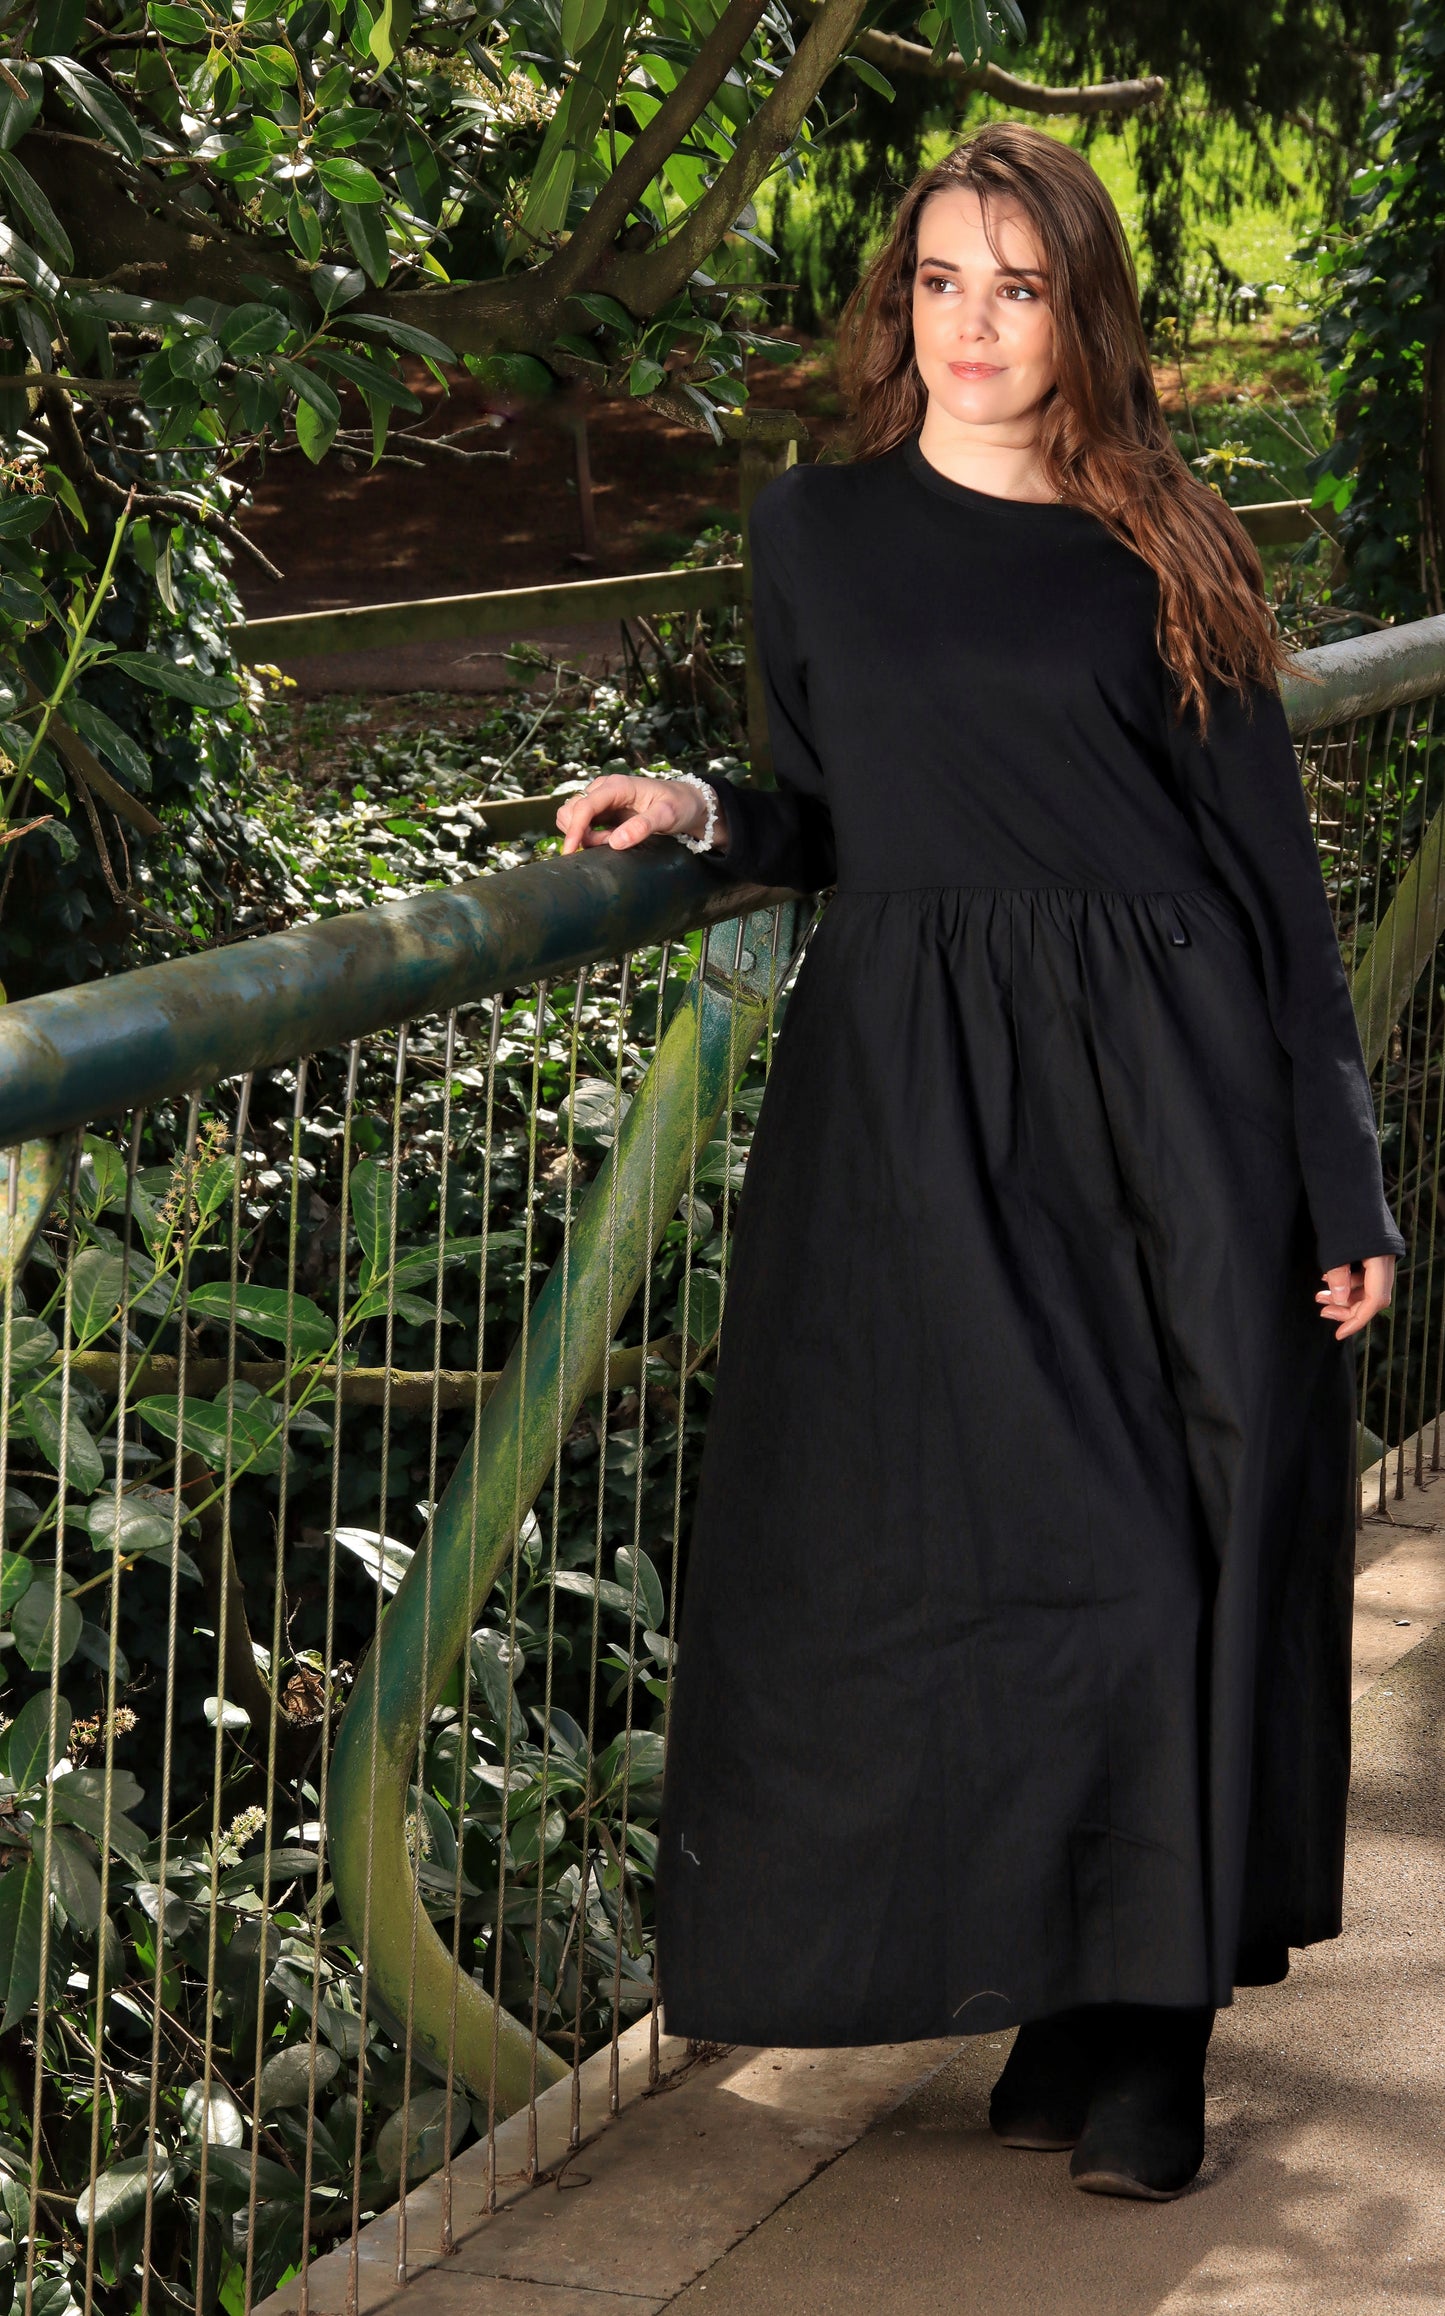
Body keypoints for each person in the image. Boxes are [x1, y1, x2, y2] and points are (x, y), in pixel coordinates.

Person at [554, 123, 1405, 2203]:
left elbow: (1275, 893)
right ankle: (1062, 1988)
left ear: (1077, 315)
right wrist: (701, 811)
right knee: (977, 1560)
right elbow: (826, 804)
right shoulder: (816, 533)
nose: (973, 325)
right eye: (941, 281)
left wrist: (1343, 1179)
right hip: (922, 1104)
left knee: (1157, 1549)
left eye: (1016, 286)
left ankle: (1149, 2036)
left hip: (1174, 1096)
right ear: (896, 307)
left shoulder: (1163, 535)